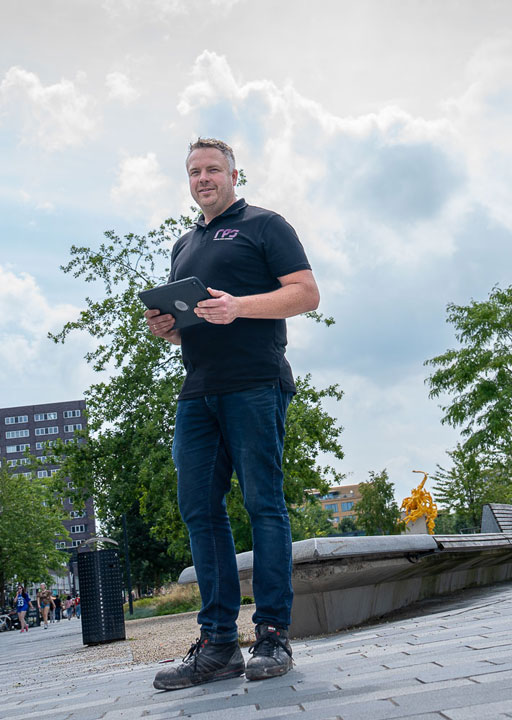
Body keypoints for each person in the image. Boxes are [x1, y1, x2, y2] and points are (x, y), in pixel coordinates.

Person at [146, 138, 318, 691]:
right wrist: (169, 328)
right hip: (198, 391)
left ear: (234, 175)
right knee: (199, 509)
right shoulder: (184, 245)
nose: (203, 179)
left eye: (213, 170)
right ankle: (219, 645)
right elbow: (195, 323)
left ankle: (272, 635)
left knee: (263, 504)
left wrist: (238, 306)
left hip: (256, 383)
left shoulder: (265, 225)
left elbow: (306, 294)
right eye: (194, 171)